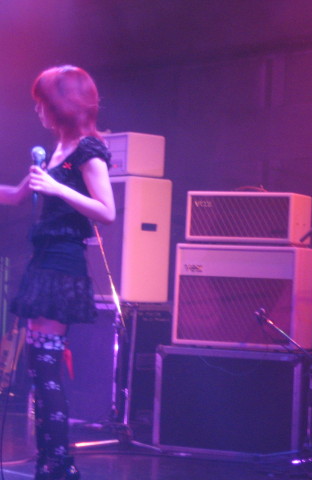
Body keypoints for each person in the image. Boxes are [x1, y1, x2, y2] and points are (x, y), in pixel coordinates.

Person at [0, 65, 115, 480]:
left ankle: (60, 464)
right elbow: (17, 196)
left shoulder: (88, 150)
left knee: (47, 368)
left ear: (61, 106)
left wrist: (58, 188)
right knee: (39, 366)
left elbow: (107, 211)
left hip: (62, 266)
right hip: (44, 261)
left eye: (42, 103)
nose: (37, 111)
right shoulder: (58, 150)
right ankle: (50, 460)